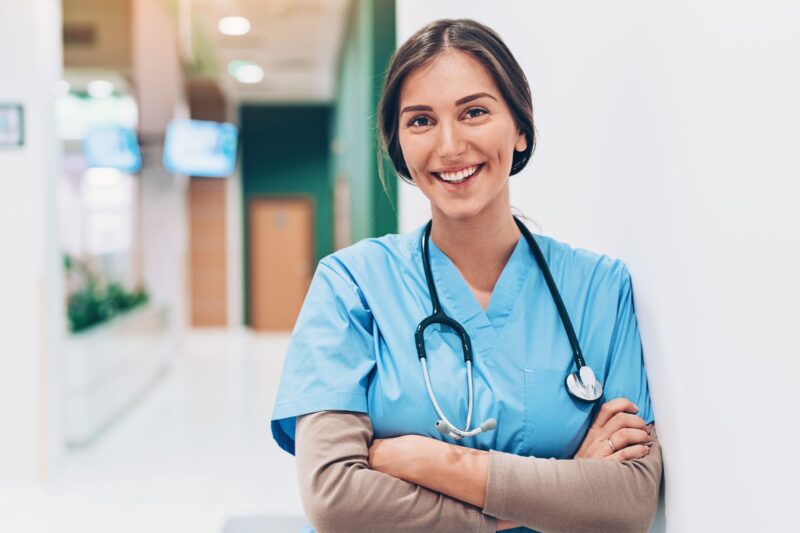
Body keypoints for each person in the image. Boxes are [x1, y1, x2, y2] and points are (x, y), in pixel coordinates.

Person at [271, 18, 662, 533]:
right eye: (420, 121)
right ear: (399, 148)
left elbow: (629, 500)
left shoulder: (598, 288)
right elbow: (335, 498)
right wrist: (560, 488)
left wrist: (429, 462)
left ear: (520, 128)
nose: (450, 145)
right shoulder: (351, 284)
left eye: (474, 112)